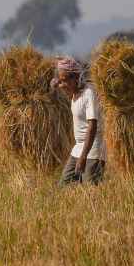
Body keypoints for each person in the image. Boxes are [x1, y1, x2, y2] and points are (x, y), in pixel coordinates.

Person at [52, 56, 107, 185]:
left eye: (64, 80)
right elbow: (59, 84)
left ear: (76, 78)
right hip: (78, 148)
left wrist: (83, 157)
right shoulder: (74, 93)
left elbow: (92, 126)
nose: (62, 85)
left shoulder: (89, 93)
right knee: (64, 185)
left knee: (91, 190)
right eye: (60, 81)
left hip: (93, 150)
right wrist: (57, 82)